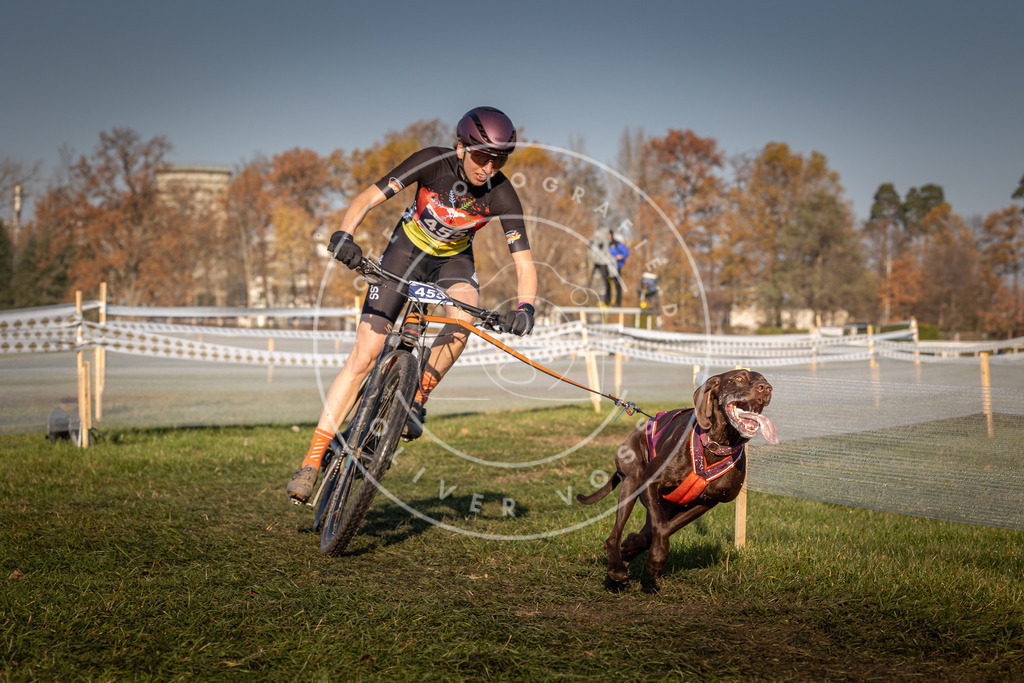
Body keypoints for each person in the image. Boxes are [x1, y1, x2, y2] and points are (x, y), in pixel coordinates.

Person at [287, 107, 537, 504]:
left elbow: (524, 262)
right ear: (461, 148)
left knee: (465, 314)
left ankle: (417, 397)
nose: (488, 167)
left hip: (452, 263)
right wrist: (344, 234)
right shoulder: (431, 162)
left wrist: (526, 307)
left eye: (498, 159)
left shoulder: (502, 194)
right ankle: (312, 462)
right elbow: (368, 197)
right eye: (482, 157)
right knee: (364, 356)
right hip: (404, 253)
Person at [607, 231, 629, 307]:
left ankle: (618, 303)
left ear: (611, 235)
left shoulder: (616, 243)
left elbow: (626, 252)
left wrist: (621, 256)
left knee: (617, 285)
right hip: (607, 267)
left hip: (617, 267)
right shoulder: (605, 244)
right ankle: (608, 302)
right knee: (608, 285)